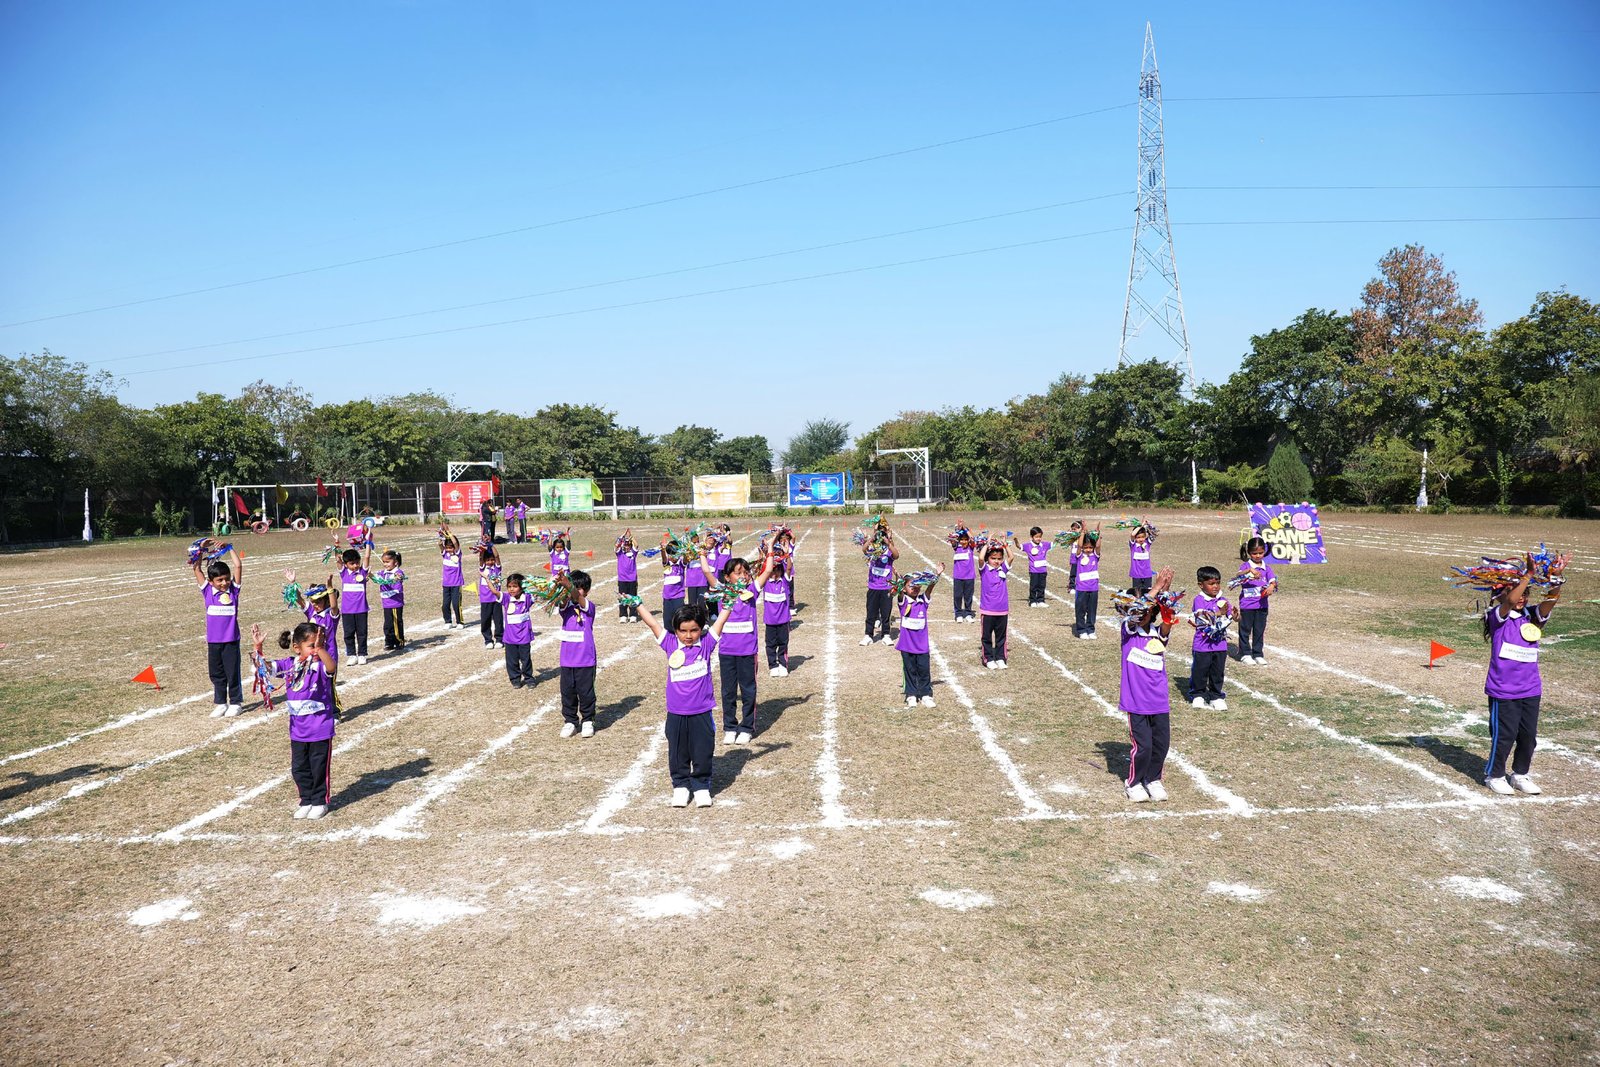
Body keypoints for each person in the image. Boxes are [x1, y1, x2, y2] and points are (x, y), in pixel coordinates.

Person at [1481, 550, 1572, 796]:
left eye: (1524, 593)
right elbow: (1509, 602)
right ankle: (1495, 775)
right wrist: (1528, 575)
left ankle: (1520, 774)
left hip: (1531, 688)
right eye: (1514, 592)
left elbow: (1550, 601)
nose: (1521, 598)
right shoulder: (1497, 617)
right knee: (1505, 735)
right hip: (1504, 689)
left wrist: (1557, 576)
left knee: (1528, 736)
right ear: (1499, 595)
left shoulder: (1531, 617)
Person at [637, 600, 731, 808]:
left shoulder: (706, 644)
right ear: (676, 630)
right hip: (676, 712)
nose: (688, 636)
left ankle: (701, 786)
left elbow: (721, 623)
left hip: (701, 711)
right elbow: (653, 625)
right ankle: (680, 786)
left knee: (702, 749)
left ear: (701, 629)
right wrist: (638, 605)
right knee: (678, 751)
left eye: (694, 630)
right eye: (683, 631)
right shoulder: (670, 643)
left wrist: (730, 603)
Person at [251, 621, 336, 820]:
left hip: (319, 729)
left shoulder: (320, 665)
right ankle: (306, 799)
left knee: (318, 767)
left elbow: (332, 667)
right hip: (298, 731)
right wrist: (258, 648)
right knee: (299, 768)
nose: (314, 649)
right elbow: (264, 668)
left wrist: (321, 649)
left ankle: (319, 801)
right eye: (310, 645)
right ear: (297, 648)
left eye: (317, 644)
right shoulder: (289, 665)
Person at [1119, 567, 1178, 803]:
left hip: (1159, 700)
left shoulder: (1157, 633)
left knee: (1161, 744)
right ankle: (1133, 782)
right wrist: (1155, 588)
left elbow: (1168, 617)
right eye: (1137, 609)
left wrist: (1165, 593)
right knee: (1142, 746)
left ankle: (1153, 779)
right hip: (1137, 701)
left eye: (1146, 609)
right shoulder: (1128, 631)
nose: (1141, 612)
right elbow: (1134, 611)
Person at [700, 554, 760, 744]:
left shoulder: (752, 590)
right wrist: (701, 553)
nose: (743, 576)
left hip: (748, 651)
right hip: (727, 652)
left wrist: (770, 547)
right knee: (728, 691)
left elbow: (766, 570)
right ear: (727, 577)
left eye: (745, 572)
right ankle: (730, 727)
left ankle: (747, 727)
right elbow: (706, 571)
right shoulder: (722, 591)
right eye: (738, 573)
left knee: (748, 690)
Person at [192, 540, 245, 717]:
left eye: (226, 579)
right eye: (220, 580)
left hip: (231, 641)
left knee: (232, 673)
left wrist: (229, 547)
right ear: (211, 581)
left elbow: (238, 565)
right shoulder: (207, 591)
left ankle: (236, 702)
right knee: (217, 674)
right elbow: (197, 569)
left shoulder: (234, 592)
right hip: (214, 642)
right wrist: (199, 550)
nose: (224, 583)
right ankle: (221, 702)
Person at [555, 570, 599, 738]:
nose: (576, 590)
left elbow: (577, 596)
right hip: (567, 660)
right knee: (567, 692)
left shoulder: (589, 607)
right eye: (575, 587)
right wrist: (560, 587)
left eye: (580, 588)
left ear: (586, 591)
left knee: (586, 692)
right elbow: (565, 598)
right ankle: (570, 721)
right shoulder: (566, 607)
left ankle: (588, 719)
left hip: (586, 660)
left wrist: (569, 585)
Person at [895, 566, 943, 707]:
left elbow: (929, 589)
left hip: (922, 646)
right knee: (909, 670)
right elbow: (899, 593)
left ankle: (925, 694)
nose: (915, 588)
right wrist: (899, 579)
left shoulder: (923, 601)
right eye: (911, 585)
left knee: (923, 669)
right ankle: (911, 694)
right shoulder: (903, 602)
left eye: (917, 585)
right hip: (907, 645)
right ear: (904, 589)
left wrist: (937, 575)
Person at [1187, 566, 1233, 710]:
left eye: (1218, 583)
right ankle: (1198, 694)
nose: (1215, 586)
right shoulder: (1199, 599)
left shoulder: (1223, 599)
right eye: (1211, 583)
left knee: (1217, 671)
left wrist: (1236, 615)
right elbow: (1202, 617)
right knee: (1200, 670)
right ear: (1201, 585)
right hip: (1202, 644)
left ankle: (1216, 695)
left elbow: (1232, 615)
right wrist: (1219, 612)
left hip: (1220, 644)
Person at [1235, 536, 1278, 664]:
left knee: (1259, 630)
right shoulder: (1246, 565)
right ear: (1249, 553)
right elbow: (1238, 575)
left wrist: (1271, 586)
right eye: (1254, 553)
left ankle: (1258, 653)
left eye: (1260, 553)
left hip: (1262, 605)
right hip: (1247, 605)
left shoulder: (1267, 568)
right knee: (1245, 629)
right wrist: (1249, 570)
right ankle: (1245, 653)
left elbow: (1273, 581)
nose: (1258, 556)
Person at [977, 538, 1014, 669]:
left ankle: (1000, 658)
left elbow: (1011, 556)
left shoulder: (1003, 569)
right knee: (986, 637)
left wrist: (1005, 544)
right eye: (993, 558)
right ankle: (988, 658)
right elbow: (981, 558)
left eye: (999, 559)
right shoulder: (984, 570)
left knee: (1001, 637)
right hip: (987, 610)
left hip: (1002, 610)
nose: (996, 561)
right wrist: (987, 544)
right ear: (988, 559)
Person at [861, 525, 900, 645]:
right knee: (871, 612)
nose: (880, 536)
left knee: (885, 613)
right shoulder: (873, 548)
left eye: (882, 534)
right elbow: (864, 550)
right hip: (873, 587)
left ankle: (886, 634)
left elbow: (896, 555)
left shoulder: (888, 550)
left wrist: (888, 542)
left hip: (886, 588)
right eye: (879, 534)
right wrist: (871, 539)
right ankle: (868, 635)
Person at [335, 543, 373, 665]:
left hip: (361, 609)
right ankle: (351, 655)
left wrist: (368, 542)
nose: (355, 565)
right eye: (352, 564)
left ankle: (362, 654)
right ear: (346, 565)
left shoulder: (362, 572)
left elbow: (367, 557)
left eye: (357, 562)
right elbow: (338, 559)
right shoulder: (344, 573)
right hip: (347, 611)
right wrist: (336, 544)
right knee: (348, 634)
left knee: (362, 633)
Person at [759, 545, 793, 676]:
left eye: (777, 570)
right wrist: (764, 555)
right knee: (770, 644)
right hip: (770, 621)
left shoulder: (784, 581)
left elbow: (789, 567)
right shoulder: (766, 582)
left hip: (783, 621)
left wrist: (787, 554)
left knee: (783, 643)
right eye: (772, 571)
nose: (774, 574)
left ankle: (783, 664)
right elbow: (762, 571)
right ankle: (773, 665)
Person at [501, 573, 535, 688]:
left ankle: (529, 678)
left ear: (521, 587)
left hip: (524, 637)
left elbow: (541, 594)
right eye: (509, 586)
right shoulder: (506, 599)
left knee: (526, 660)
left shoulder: (527, 599)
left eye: (515, 586)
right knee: (512, 661)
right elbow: (495, 593)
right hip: (510, 639)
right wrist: (486, 579)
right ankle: (515, 679)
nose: (511, 589)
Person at [1071, 525, 1102, 639]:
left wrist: (1097, 535)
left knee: (1092, 610)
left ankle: (1090, 629)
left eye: (1090, 547)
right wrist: (1083, 533)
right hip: (1081, 588)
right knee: (1080, 610)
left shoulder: (1095, 556)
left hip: (1093, 588)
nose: (1088, 549)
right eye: (1086, 547)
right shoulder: (1079, 555)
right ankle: (1081, 630)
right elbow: (1079, 545)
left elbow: (1098, 546)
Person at [377, 550, 407, 652]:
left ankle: (399, 641)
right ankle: (389, 642)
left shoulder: (398, 573)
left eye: (387, 562)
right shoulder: (382, 573)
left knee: (396, 623)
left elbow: (400, 578)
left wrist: (398, 578)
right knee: (388, 624)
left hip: (395, 603)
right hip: (386, 603)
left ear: (395, 562)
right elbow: (376, 578)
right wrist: (370, 575)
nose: (385, 564)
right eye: (384, 562)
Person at [478, 544, 505, 648]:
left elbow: (497, 556)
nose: (490, 562)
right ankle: (488, 640)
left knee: (498, 620)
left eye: (491, 560)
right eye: (488, 560)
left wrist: (491, 545)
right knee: (485, 620)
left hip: (496, 599)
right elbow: (481, 557)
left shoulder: (497, 569)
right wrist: (482, 549)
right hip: (485, 599)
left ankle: (499, 639)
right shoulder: (483, 568)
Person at [1016, 527, 1051, 607]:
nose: (1038, 539)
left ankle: (1041, 600)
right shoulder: (1028, 546)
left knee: (1042, 586)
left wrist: (1062, 537)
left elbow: (1054, 543)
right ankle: (1032, 601)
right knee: (1034, 586)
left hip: (1043, 570)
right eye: (1036, 537)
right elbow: (1019, 546)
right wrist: (1016, 541)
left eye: (1040, 537)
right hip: (1033, 571)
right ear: (1032, 537)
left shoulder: (1044, 545)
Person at [439, 525, 465, 628]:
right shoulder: (445, 554)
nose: (449, 549)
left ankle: (460, 622)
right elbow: (440, 544)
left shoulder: (458, 554)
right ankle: (448, 621)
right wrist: (441, 535)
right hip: (446, 584)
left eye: (451, 548)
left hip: (456, 584)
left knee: (456, 604)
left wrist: (449, 533)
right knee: (445, 605)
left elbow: (455, 542)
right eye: (447, 548)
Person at [950, 528, 977, 622]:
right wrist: (957, 531)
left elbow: (973, 539)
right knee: (957, 596)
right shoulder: (956, 547)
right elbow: (953, 540)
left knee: (968, 596)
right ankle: (958, 614)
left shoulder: (971, 547)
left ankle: (968, 613)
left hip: (969, 576)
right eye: (962, 539)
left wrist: (965, 528)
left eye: (966, 539)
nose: (964, 541)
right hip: (958, 576)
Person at [660, 532, 687, 623]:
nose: (673, 557)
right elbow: (664, 558)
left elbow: (686, 559)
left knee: (679, 619)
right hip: (667, 597)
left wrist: (686, 550)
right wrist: (663, 550)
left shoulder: (681, 564)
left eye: (675, 554)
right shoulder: (667, 564)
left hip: (679, 596)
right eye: (671, 554)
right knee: (667, 619)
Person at [615, 531, 641, 623]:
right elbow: (617, 545)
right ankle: (623, 615)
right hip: (622, 579)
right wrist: (622, 536)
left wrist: (631, 537)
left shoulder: (633, 553)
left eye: (628, 545)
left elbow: (636, 545)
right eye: (625, 545)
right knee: (622, 597)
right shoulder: (620, 553)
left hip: (632, 579)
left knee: (632, 597)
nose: (626, 547)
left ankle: (633, 614)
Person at [683, 530, 711, 608]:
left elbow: (707, 547)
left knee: (702, 601)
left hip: (702, 579)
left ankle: (704, 618)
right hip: (691, 580)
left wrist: (705, 539)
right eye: (694, 542)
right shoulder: (687, 550)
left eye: (698, 541)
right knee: (692, 603)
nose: (696, 544)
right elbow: (685, 561)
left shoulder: (702, 548)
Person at [1128, 523, 1156, 596]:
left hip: (1147, 574)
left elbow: (1154, 533)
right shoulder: (1133, 545)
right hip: (1136, 575)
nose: (1141, 539)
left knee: (1147, 595)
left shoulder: (1147, 543)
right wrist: (1141, 525)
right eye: (1138, 537)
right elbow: (1132, 535)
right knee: (1137, 595)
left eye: (1143, 537)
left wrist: (1147, 526)